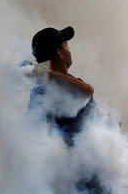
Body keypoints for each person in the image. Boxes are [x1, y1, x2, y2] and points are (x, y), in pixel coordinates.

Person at [28, 26, 109, 194]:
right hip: (81, 179)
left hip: (95, 173)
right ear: (60, 53)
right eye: (66, 45)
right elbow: (88, 90)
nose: (69, 50)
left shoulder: (62, 81)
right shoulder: (46, 89)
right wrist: (47, 74)